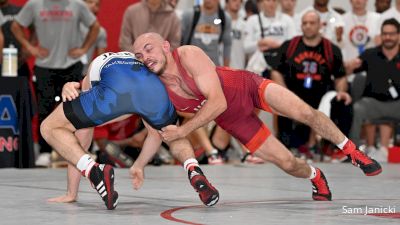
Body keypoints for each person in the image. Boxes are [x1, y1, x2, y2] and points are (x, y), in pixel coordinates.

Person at [133, 32, 383, 201]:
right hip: (234, 121)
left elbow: (217, 102)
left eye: (149, 49)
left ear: (166, 46)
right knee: (288, 163)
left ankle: (352, 151)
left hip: (246, 86)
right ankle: (315, 176)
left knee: (305, 112)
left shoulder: (187, 54)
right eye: (140, 56)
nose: (146, 58)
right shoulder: (157, 91)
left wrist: (184, 130)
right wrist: (139, 165)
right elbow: (159, 131)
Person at [41, 51, 219, 209]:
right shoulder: (136, 61)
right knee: (173, 132)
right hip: (152, 86)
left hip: (116, 87)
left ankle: (95, 172)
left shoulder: (92, 77)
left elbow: (82, 139)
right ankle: (193, 168)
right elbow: (155, 135)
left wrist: (72, 192)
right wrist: (139, 165)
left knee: (49, 127)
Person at [11, 0, 100, 167]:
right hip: (45, 66)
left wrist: (83, 49)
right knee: (45, 109)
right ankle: (45, 151)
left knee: (78, 110)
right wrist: (31, 48)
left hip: (71, 65)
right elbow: (16, 26)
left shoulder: (77, 4)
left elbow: (95, 27)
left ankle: (79, 151)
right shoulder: (34, 4)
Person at [270, 10, 352, 159]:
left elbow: (340, 77)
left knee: (343, 102)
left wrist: (341, 92)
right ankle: (289, 147)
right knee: (280, 102)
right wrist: (283, 92)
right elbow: (276, 71)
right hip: (294, 94)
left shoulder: (331, 49)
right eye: (304, 23)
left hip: (321, 97)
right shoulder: (290, 46)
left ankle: (335, 149)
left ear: (320, 25)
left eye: (312, 23)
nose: (308, 26)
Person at [346, 18, 400, 162]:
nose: (388, 37)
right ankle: (353, 153)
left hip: (397, 104)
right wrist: (349, 66)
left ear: (398, 35)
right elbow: (348, 71)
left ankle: (387, 150)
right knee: (358, 108)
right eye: (385, 34)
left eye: (392, 34)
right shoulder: (370, 54)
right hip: (373, 103)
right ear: (381, 35)